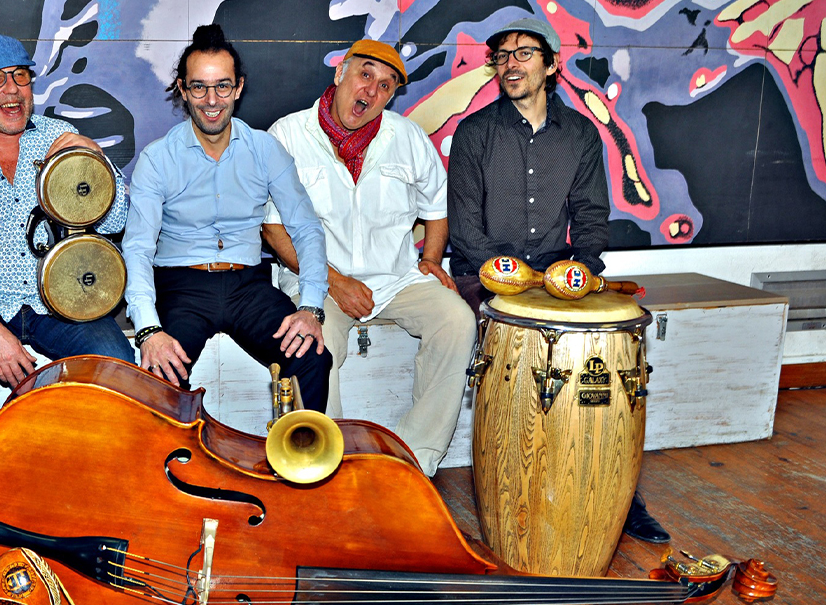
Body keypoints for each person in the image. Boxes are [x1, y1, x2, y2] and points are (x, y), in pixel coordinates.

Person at [447, 17, 670, 543]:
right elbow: (465, 229)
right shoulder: (474, 133)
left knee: (601, 359)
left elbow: (591, 216)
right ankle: (509, 483)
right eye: (502, 55)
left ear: (551, 65)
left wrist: (582, 267)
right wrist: (516, 279)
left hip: (553, 270)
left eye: (524, 53)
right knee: (516, 359)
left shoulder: (581, 135)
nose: (511, 63)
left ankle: (620, 494)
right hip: (487, 272)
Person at [0, 34, 134, 484]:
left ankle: (91, 487)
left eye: (20, 77)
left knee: (118, 365)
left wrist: (96, 160)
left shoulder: (60, 139)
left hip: (62, 301)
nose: (12, 90)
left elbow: (116, 219)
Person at [261, 40, 476, 476]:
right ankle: (331, 461)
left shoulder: (408, 136)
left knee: (457, 320)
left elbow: (437, 206)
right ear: (340, 73)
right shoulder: (286, 134)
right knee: (313, 342)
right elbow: (272, 227)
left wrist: (433, 258)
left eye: (385, 85)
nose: (371, 90)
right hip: (317, 280)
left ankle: (414, 460)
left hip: (396, 277)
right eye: (365, 74)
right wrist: (333, 281)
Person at [122, 25, 332, 411]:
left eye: (222, 86)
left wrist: (311, 306)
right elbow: (137, 248)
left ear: (238, 88)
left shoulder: (265, 149)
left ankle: (299, 451)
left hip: (248, 286)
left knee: (312, 356)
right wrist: (148, 328)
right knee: (161, 373)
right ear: (183, 90)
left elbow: (306, 229)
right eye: (199, 87)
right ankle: (176, 453)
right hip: (180, 287)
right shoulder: (157, 158)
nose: (211, 100)